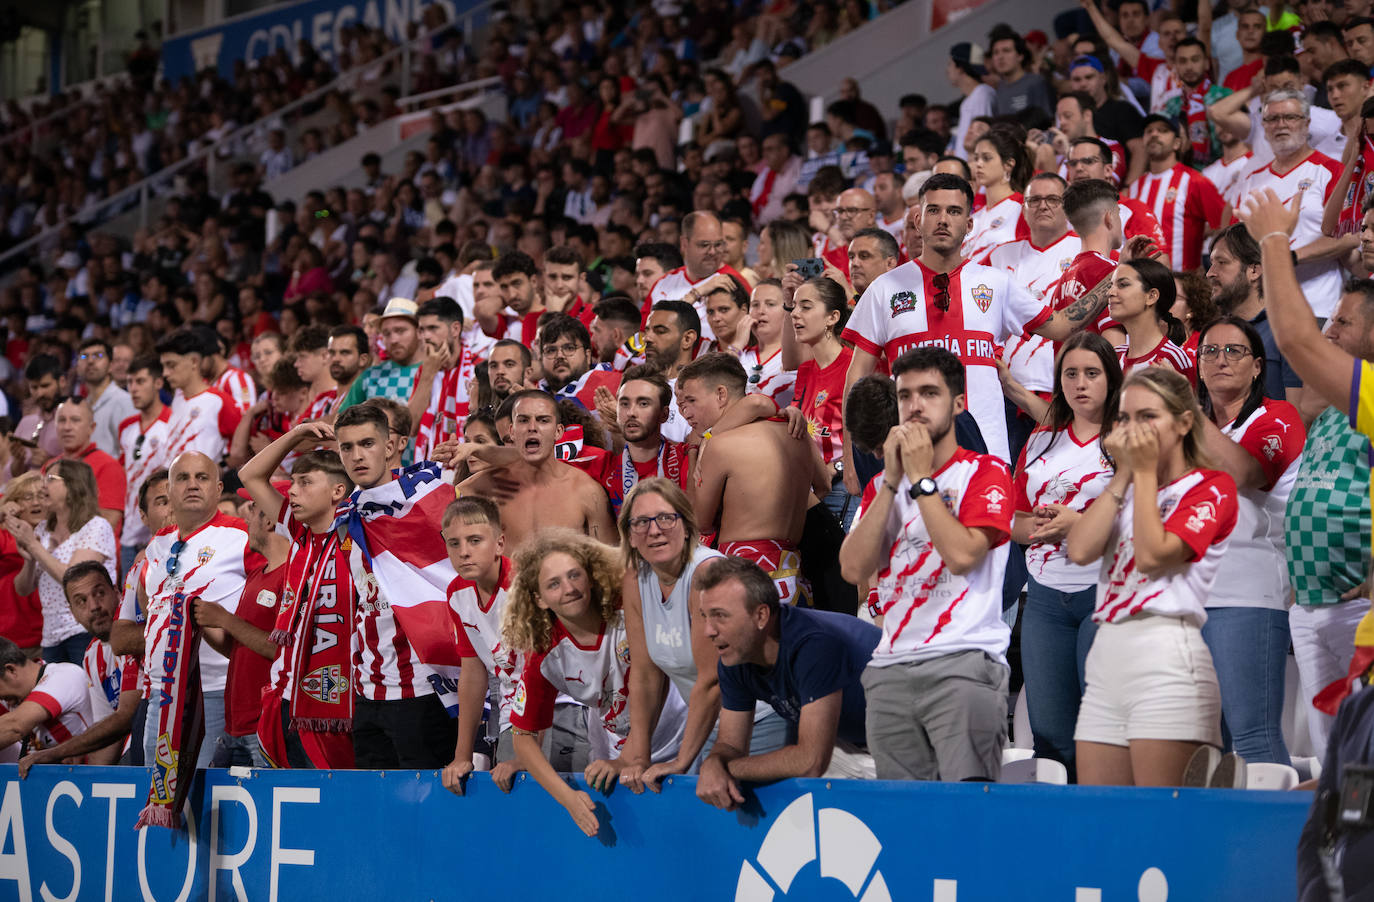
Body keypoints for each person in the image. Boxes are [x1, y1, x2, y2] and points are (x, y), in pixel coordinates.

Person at [840, 173, 1118, 483]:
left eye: (954, 211)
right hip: (911, 455)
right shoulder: (883, 289)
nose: (943, 219)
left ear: (970, 225)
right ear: (918, 221)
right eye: (933, 210)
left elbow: (1061, 325)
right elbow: (857, 378)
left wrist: (1118, 275)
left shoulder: (995, 282)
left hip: (988, 454)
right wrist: (851, 457)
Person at [1239, 188, 1374, 756]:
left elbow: (1292, 339)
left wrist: (1274, 240)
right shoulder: (1332, 409)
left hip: (1357, 608)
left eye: (1344, 320)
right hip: (1318, 598)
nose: (1330, 332)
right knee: (1340, 773)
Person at [839, 347, 1014, 782]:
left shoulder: (986, 472)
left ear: (958, 403)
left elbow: (961, 555)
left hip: (964, 662)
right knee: (904, 824)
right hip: (890, 667)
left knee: (967, 818)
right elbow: (853, 569)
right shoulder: (884, 483)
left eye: (930, 393)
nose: (914, 406)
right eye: (905, 395)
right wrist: (893, 482)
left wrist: (920, 481)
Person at [1066, 369, 1238, 786]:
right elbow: (1079, 550)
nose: (1132, 430)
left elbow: (1152, 556)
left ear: (1183, 423)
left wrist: (1142, 474)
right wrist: (1124, 474)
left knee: (1164, 823)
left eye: (1148, 417)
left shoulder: (1211, 486)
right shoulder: (1124, 490)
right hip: (1107, 652)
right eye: (1124, 419)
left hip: (1166, 656)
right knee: (1104, 821)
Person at [505, 529, 686, 836]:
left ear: (590, 576)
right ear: (539, 599)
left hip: (680, 738)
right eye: (554, 583)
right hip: (617, 757)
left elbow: (656, 679)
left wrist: (631, 756)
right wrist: (568, 799)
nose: (569, 588)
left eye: (575, 575)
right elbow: (523, 736)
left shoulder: (628, 607)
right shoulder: (544, 654)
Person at [1195, 316, 1305, 766]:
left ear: (1258, 366)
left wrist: (1184, 415)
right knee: (1203, 749)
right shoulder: (1194, 422)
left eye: (1233, 351)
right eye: (1209, 351)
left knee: (1254, 737)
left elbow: (1245, 473)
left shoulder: (1278, 416)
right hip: (1189, 594)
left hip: (1249, 592)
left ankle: (1278, 837)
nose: (1220, 360)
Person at [1012, 333, 1121, 781]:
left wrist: (1079, 524)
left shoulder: (1129, 440)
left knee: (1103, 733)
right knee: (1050, 736)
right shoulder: (1040, 441)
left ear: (1111, 380)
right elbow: (1013, 520)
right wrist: (1041, 528)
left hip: (1105, 591)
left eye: (1092, 373)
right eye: (1070, 374)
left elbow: (1146, 521)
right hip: (1043, 597)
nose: (1080, 384)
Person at [695, 554, 882, 810]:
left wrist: (723, 767)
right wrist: (714, 761)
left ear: (761, 615)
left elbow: (810, 760)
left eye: (720, 616)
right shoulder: (735, 654)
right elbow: (730, 744)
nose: (708, 630)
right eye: (704, 616)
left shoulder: (813, 645)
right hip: (847, 743)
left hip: (910, 735)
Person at [332, 404, 458, 769]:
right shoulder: (347, 516)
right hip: (367, 690)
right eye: (347, 447)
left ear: (390, 447)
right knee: (380, 818)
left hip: (424, 685)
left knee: (429, 814)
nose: (356, 455)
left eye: (367, 443)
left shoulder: (429, 497)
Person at [616, 479, 757, 793]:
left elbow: (712, 680)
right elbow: (644, 675)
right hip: (707, 726)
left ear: (686, 523)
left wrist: (681, 760)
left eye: (665, 518)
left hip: (753, 719)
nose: (654, 531)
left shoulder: (706, 573)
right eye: (640, 522)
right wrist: (638, 757)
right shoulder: (636, 578)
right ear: (629, 535)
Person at [242, 426, 356, 771]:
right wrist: (295, 436)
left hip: (337, 702)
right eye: (293, 483)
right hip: (286, 695)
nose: (292, 491)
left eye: (305, 482)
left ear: (338, 491)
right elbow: (251, 474)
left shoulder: (360, 533)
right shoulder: (298, 532)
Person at [678, 353, 826, 604]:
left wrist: (695, 450)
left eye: (691, 401)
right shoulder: (795, 430)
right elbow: (824, 487)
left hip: (746, 577)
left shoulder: (719, 445)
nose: (685, 413)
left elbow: (700, 523)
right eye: (681, 404)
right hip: (797, 577)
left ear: (721, 395)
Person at [137, 452, 249, 771]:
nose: (192, 485)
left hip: (214, 691)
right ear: (170, 492)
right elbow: (151, 606)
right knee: (155, 793)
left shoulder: (241, 534)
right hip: (162, 692)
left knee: (198, 792)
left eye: (201, 478)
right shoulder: (158, 543)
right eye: (182, 478)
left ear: (217, 488)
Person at [1230, 90, 1350, 319]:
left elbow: (1348, 236)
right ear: (1263, 126)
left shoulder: (1332, 172)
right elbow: (1235, 243)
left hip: (1317, 305)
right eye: (1272, 118)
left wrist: (1289, 256)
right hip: (1260, 312)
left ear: (1307, 123)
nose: (1280, 124)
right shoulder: (1250, 179)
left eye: (1290, 117)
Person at [17, 562, 142, 772]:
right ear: (72, 612)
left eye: (100, 593)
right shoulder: (92, 656)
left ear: (117, 592)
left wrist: (57, 752)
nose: (94, 606)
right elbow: (107, 737)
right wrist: (92, 782)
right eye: (81, 601)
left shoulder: (136, 635)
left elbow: (126, 718)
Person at [439, 497, 525, 795]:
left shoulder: (524, 585)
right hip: (511, 712)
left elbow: (545, 674)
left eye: (475, 540)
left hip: (559, 709)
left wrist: (527, 757)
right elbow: (473, 674)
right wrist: (462, 756)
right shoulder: (456, 592)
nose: (464, 552)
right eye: (454, 543)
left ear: (500, 543)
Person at [194, 488, 286, 768]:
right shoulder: (258, 574)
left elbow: (282, 652)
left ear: (270, 520)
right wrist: (202, 620)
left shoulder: (294, 575)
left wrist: (225, 619)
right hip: (235, 726)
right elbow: (238, 649)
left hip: (267, 727)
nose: (245, 517)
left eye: (253, 507)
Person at [456, 391, 616, 547]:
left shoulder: (588, 492)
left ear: (558, 431)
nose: (532, 427)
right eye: (524, 420)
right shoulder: (479, 487)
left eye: (543, 420)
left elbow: (610, 564)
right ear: (512, 431)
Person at [980, 172, 1083, 407]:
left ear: (1067, 206)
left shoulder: (1085, 249)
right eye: (1034, 200)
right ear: (1023, 208)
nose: (1042, 206)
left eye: (1052, 199)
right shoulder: (998, 255)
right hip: (1003, 389)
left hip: (1060, 388)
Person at [7, 461, 116, 665]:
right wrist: (30, 560)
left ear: (73, 484)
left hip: (84, 630)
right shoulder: (42, 530)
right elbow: (23, 588)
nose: (43, 486)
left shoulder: (95, 527)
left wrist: (32, 545)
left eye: (50, 479)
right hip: (51, 637)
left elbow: (72, 578)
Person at [786, 276, 856, 529]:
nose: (794, 314)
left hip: (843, 489)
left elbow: (871, 436)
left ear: (832, 317)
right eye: (794, 306)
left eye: (806, 307)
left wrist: (835, 467)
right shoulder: (805, 370)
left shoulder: (854, 366)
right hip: (809, 488)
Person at [1206, 224, 1303, 404]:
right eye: (1212, 263)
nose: (1210, 273)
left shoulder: (1288, 331)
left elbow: (1298, 418)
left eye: (1222, 262)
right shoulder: (1213, 332)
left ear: (1254, 271)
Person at [1127, 115, 1226, 272]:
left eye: (1163, 130)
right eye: (1149, 131)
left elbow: (1224, 222)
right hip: (1142, 282)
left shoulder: (1194, 181)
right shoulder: (1134, 188)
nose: (1154, 134)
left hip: (1184, 281)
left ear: (1177, 143)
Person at [645, 212, 751, 336]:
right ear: (684, 244)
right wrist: (697, 292)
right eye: (704, 245)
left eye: (718, 245)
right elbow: (644, 334)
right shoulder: (663, 283)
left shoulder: (734, 281)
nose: (712, 252)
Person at [156, 329, 242, 466]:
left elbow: (243, 451)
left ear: (194, 362)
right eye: (163, 366)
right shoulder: (177, 400)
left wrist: (221, 470)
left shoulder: (219, 401)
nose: (165, 373)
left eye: (171, 365)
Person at [117, 355, 170, 575]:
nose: (133, 389)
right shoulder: (125, 427)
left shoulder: (173, 423)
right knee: (129, 604)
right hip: (129, 532)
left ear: (158, 383)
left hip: (163, 530)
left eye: (140, 381)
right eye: (130, 383)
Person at [0, 636, 92, 757]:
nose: (2, 699)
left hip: (89, 771)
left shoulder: (63, 675)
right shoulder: (14, 694)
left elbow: (14, 726)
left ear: (11, 670)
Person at [1108, 258, 1196, 384]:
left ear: (1151, 296)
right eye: (1111, 285)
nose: (1110, 292)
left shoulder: (1173, 359)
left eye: (1123, 284)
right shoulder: (1113, 356)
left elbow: (1190, 403)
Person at [335, 297, 424, 414]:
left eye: (400, 331)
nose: (393, 340)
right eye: (386, 333)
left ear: (419, 332)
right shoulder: (369, 376)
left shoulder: (436, 372)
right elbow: (341, 420)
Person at [51, 396, 125, 532]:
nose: (67, 427)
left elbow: (109, 521)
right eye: (62, 420)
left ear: (92, 428)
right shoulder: (50, 466)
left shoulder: (108, 466)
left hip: (91, 549)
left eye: (75, 420)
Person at [963, 127, 1032, 261]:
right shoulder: (975, 215)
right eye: (976, 158)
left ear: (1008, 164)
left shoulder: (1022, 208)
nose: (978, 164)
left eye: (986, 158)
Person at [642, 300, 705, 441]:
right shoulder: (634, 384)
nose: (647, 338)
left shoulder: (703, 391)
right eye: (647, 331)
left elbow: (699, 452)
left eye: (660, 331)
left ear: (687, 339)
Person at [0, 475, 44, 655]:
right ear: (14, 504)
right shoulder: (5, 537)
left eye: (41, 496)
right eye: (27, 497)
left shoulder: (57, 535)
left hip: (49, 635)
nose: (35, 502)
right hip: (9, 637)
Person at [738, 280, 796, 407]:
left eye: (770, 304)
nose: (761, 311)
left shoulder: (796, 356)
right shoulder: (738, 354)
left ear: (787, 309)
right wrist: (737, 345)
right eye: (755, 305)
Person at [75, 338, 135, 458]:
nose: (90, 361)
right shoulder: (82, 406)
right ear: (77, 367)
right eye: (84, 356)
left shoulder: (125, 401)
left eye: (98, 355)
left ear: (111, 366)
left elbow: (130, 453)